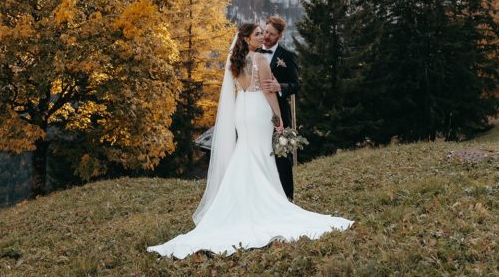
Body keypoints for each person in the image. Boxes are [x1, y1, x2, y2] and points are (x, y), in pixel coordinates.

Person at [147, 23, 352, 258]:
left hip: (241, 111)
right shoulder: (260, 60)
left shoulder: (233, 62)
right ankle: (264, 201)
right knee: (261, 151)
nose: (262, 37)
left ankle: (238, 201)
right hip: (257, 110)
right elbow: (268, 91)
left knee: (245, 151)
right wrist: (278, 120)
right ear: (246, 39)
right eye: (257, 34)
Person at [259, 15, 299, 200]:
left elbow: (296, 85)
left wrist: (280, 87)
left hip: (279, 113)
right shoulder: (254, 51)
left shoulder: (287, 56)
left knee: (281, 154)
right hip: (257, 112)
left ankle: (287, 197)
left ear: (280, 36)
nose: (266, 36)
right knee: (259, 153)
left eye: (271, 34)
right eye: (265, 31)